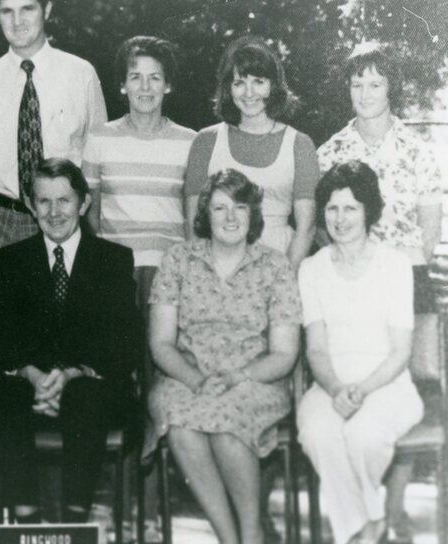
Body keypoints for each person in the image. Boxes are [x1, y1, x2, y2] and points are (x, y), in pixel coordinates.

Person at [315, 42, 442, 541]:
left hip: (408, 283)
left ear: (393, 88)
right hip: (349, 286)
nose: (364, 93)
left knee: (411, 391)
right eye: (356, 83)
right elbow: (327, 229)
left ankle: (393, 507)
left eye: (375, 83)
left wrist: (387, 266)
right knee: (358, 393)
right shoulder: (331, 151)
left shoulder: (418, 150)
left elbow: (428, 239)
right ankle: (361, 512)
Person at [0, 158, 142, 524]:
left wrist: (72, 375)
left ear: (83, 203)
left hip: (90, 386)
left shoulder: (112, 260)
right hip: (29, 386)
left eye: (64, 201)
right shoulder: (12, 260)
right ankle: (27, 520)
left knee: (85, 397)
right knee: (2, 396)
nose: (54, 212)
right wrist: (34, 377)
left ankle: (74, 523)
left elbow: (124, 343)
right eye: (44, 201)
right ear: (30, 204)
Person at [147, 169, 301, 544]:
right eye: (220, 208)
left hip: (255, 379)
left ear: (253, 215)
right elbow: (161, 344)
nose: (230, 217)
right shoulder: (178, 260)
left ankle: (251, 537)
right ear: (205, 214)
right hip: (188, 375)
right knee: (180, 425)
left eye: (240, 207)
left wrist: (239, 376)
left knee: (229, 432)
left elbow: (284, 353)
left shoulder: (275, 266)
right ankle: (229, 538)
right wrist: (197, 380)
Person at [297, 161, 423, 544]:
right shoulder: (311, 269)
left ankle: (359, 532)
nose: (340, 218)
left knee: (364, 435)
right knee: (319, 432)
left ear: (369, 210)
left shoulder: (396, 265)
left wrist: (362, 391)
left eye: (351, 207)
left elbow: (401, 350)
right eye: (332, 208)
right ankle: (369, 524)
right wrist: (337, 389)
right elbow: (316, 348)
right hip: (330, 383)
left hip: (388, 383)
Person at [0, 0, 107, 289]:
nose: (18, 21)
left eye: (27, 8)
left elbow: (97, 159)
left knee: (64, 328)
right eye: (7, 11)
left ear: (47, 9)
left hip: (64, 217)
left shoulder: (80, 74)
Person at [184, 35, 318, 272]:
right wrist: (211, 278)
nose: (249, 93)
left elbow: (306, 228)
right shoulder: (206, 141)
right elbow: (194, 225)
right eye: (239, 83)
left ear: (273, 85)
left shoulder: (300, 144)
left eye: (258, 81)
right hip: (219, 268)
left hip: (280, 263)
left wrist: (283, 282)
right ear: (228, 89)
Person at [83, 34, 196, 307]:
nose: (145, 87)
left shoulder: (191, 142)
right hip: (115, 271)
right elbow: (91, 214)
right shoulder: (98, 138)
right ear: (123, 85)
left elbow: (195, 219)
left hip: (171, 271)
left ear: (167, 85)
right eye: (135, 77)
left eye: (155, 77)